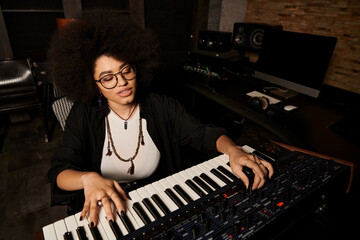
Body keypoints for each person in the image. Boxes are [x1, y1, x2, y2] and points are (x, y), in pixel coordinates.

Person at [47, 10, 274, 227]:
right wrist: (87, 179)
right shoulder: (83, 114)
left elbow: (203, 134)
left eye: (126, 70)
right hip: (105, 206)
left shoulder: (161, 105)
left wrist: (234, 150)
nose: (122, 82)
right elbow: (60, 172)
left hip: (158, 198)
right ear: (94, 86)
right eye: (108, 78)